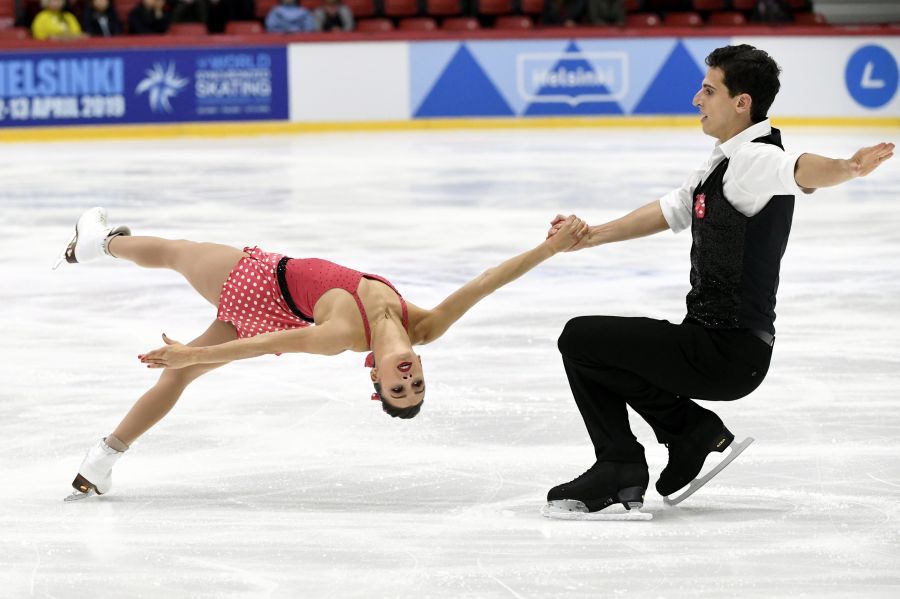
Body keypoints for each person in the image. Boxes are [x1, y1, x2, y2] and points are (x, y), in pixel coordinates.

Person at [542, 44, 894, 519]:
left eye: (709, 90)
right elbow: (671, 209)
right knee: (602, 352)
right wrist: (591, 236)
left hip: (726, 349)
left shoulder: (756, 160)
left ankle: (625, 461)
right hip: (720, 345)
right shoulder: (724, 161)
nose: (696, 99)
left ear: (742, 102)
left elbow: (800, 168)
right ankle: (689, 433)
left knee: (580, 339)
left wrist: (848, 168)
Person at [58, 207, 588, 501]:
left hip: (257, 282)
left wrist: (189, 358)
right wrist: (548, 248)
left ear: (375, 378)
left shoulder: (341, 335)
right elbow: (487, 282)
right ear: (421, 368)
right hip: (279, 308)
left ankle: (98, 243)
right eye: (415, 386)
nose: (406, 380)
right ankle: (101, 460)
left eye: (395, 389)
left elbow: (267, 344)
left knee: (176, 253)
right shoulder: (424, 325)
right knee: (178, 374)